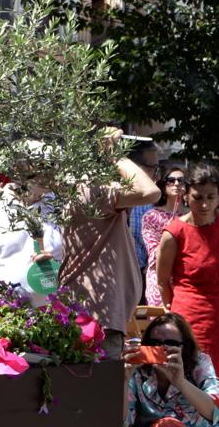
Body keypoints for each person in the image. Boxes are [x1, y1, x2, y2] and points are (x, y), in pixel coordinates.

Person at [156, 163, 219, 397]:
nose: (204, 204)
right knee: (193, 384)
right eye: (197, 197)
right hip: (191, 316)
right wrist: (174, 313)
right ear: (186, 195)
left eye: (211, 197)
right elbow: (162, 281)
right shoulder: (174, 233)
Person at [59, 131, 161, 354]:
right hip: (95, 320)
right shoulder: (93, 190)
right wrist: (115, 154)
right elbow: (149, 191)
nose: (156, 176)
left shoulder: (97, 193)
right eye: (153, 169)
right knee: (99, 388)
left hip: (100, 318)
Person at [0, 175, 63, 303]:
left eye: (53, 164)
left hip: (53, 312)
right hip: (4, 312)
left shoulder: (62, 205)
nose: (48, 172)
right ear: (16, 166)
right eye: (39, 163)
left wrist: (56, 261)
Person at [140, 166, 186, 308]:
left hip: (186, 279)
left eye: (181, 180)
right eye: (171, 180)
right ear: (163, 185)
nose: (176, 184)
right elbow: (153, 253)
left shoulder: (194, 216)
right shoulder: (151, 216)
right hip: (159, 278)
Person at [125, 139, 163, 283]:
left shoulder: (148, 206)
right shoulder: (108, 199)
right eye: (153, 167)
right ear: (134, 167)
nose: (157, 176)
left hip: (140, 279)